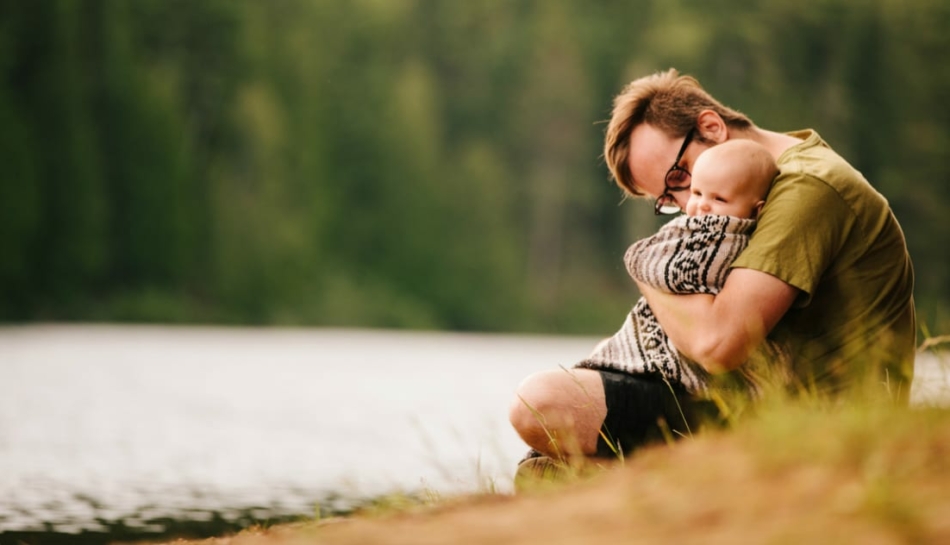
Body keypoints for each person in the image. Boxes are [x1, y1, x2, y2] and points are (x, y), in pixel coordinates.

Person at [508, 68, 916, 476]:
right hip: (761, 408)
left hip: (821, 429)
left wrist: (645, 266)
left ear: (711, 126)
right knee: (542, 469)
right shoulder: (762, 190)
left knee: (540, 403)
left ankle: (660, 485)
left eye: (678, 175)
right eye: (669, 199)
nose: (690, 205)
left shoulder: (809, 186)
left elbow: (717, 345)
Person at [577, 139, 785, 403]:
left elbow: (680, 271)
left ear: (757, 210)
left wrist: (639, 259)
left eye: (719, 198)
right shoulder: (701, 228)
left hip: (684, 365)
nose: (702, 206)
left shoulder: (724, 238)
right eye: (697, 193)